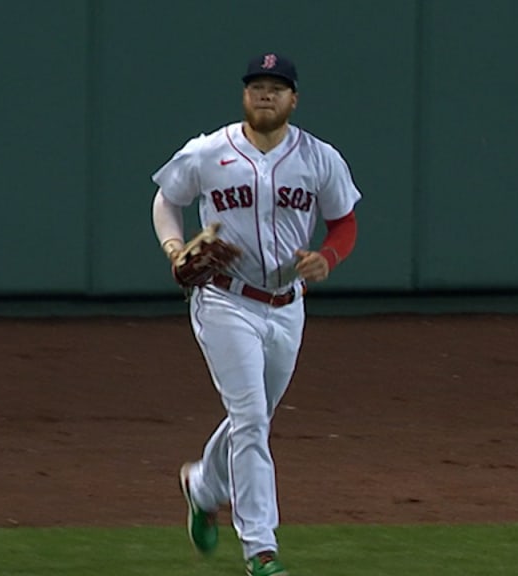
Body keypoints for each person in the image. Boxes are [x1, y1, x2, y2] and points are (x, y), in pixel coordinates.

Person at [150, 52, 362, 576]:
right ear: (245, 95)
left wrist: (327, 257)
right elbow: (166, 199)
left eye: (276, 86)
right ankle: (260, 550)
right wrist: (176, 248)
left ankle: (203, 486)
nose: (265, 94)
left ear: (294, 99)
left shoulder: (319, 158)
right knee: (250, 422)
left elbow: (344, 223)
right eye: (256, 86)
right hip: (225, 300)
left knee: (256, 417)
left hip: (288, 307)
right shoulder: (209, 151)